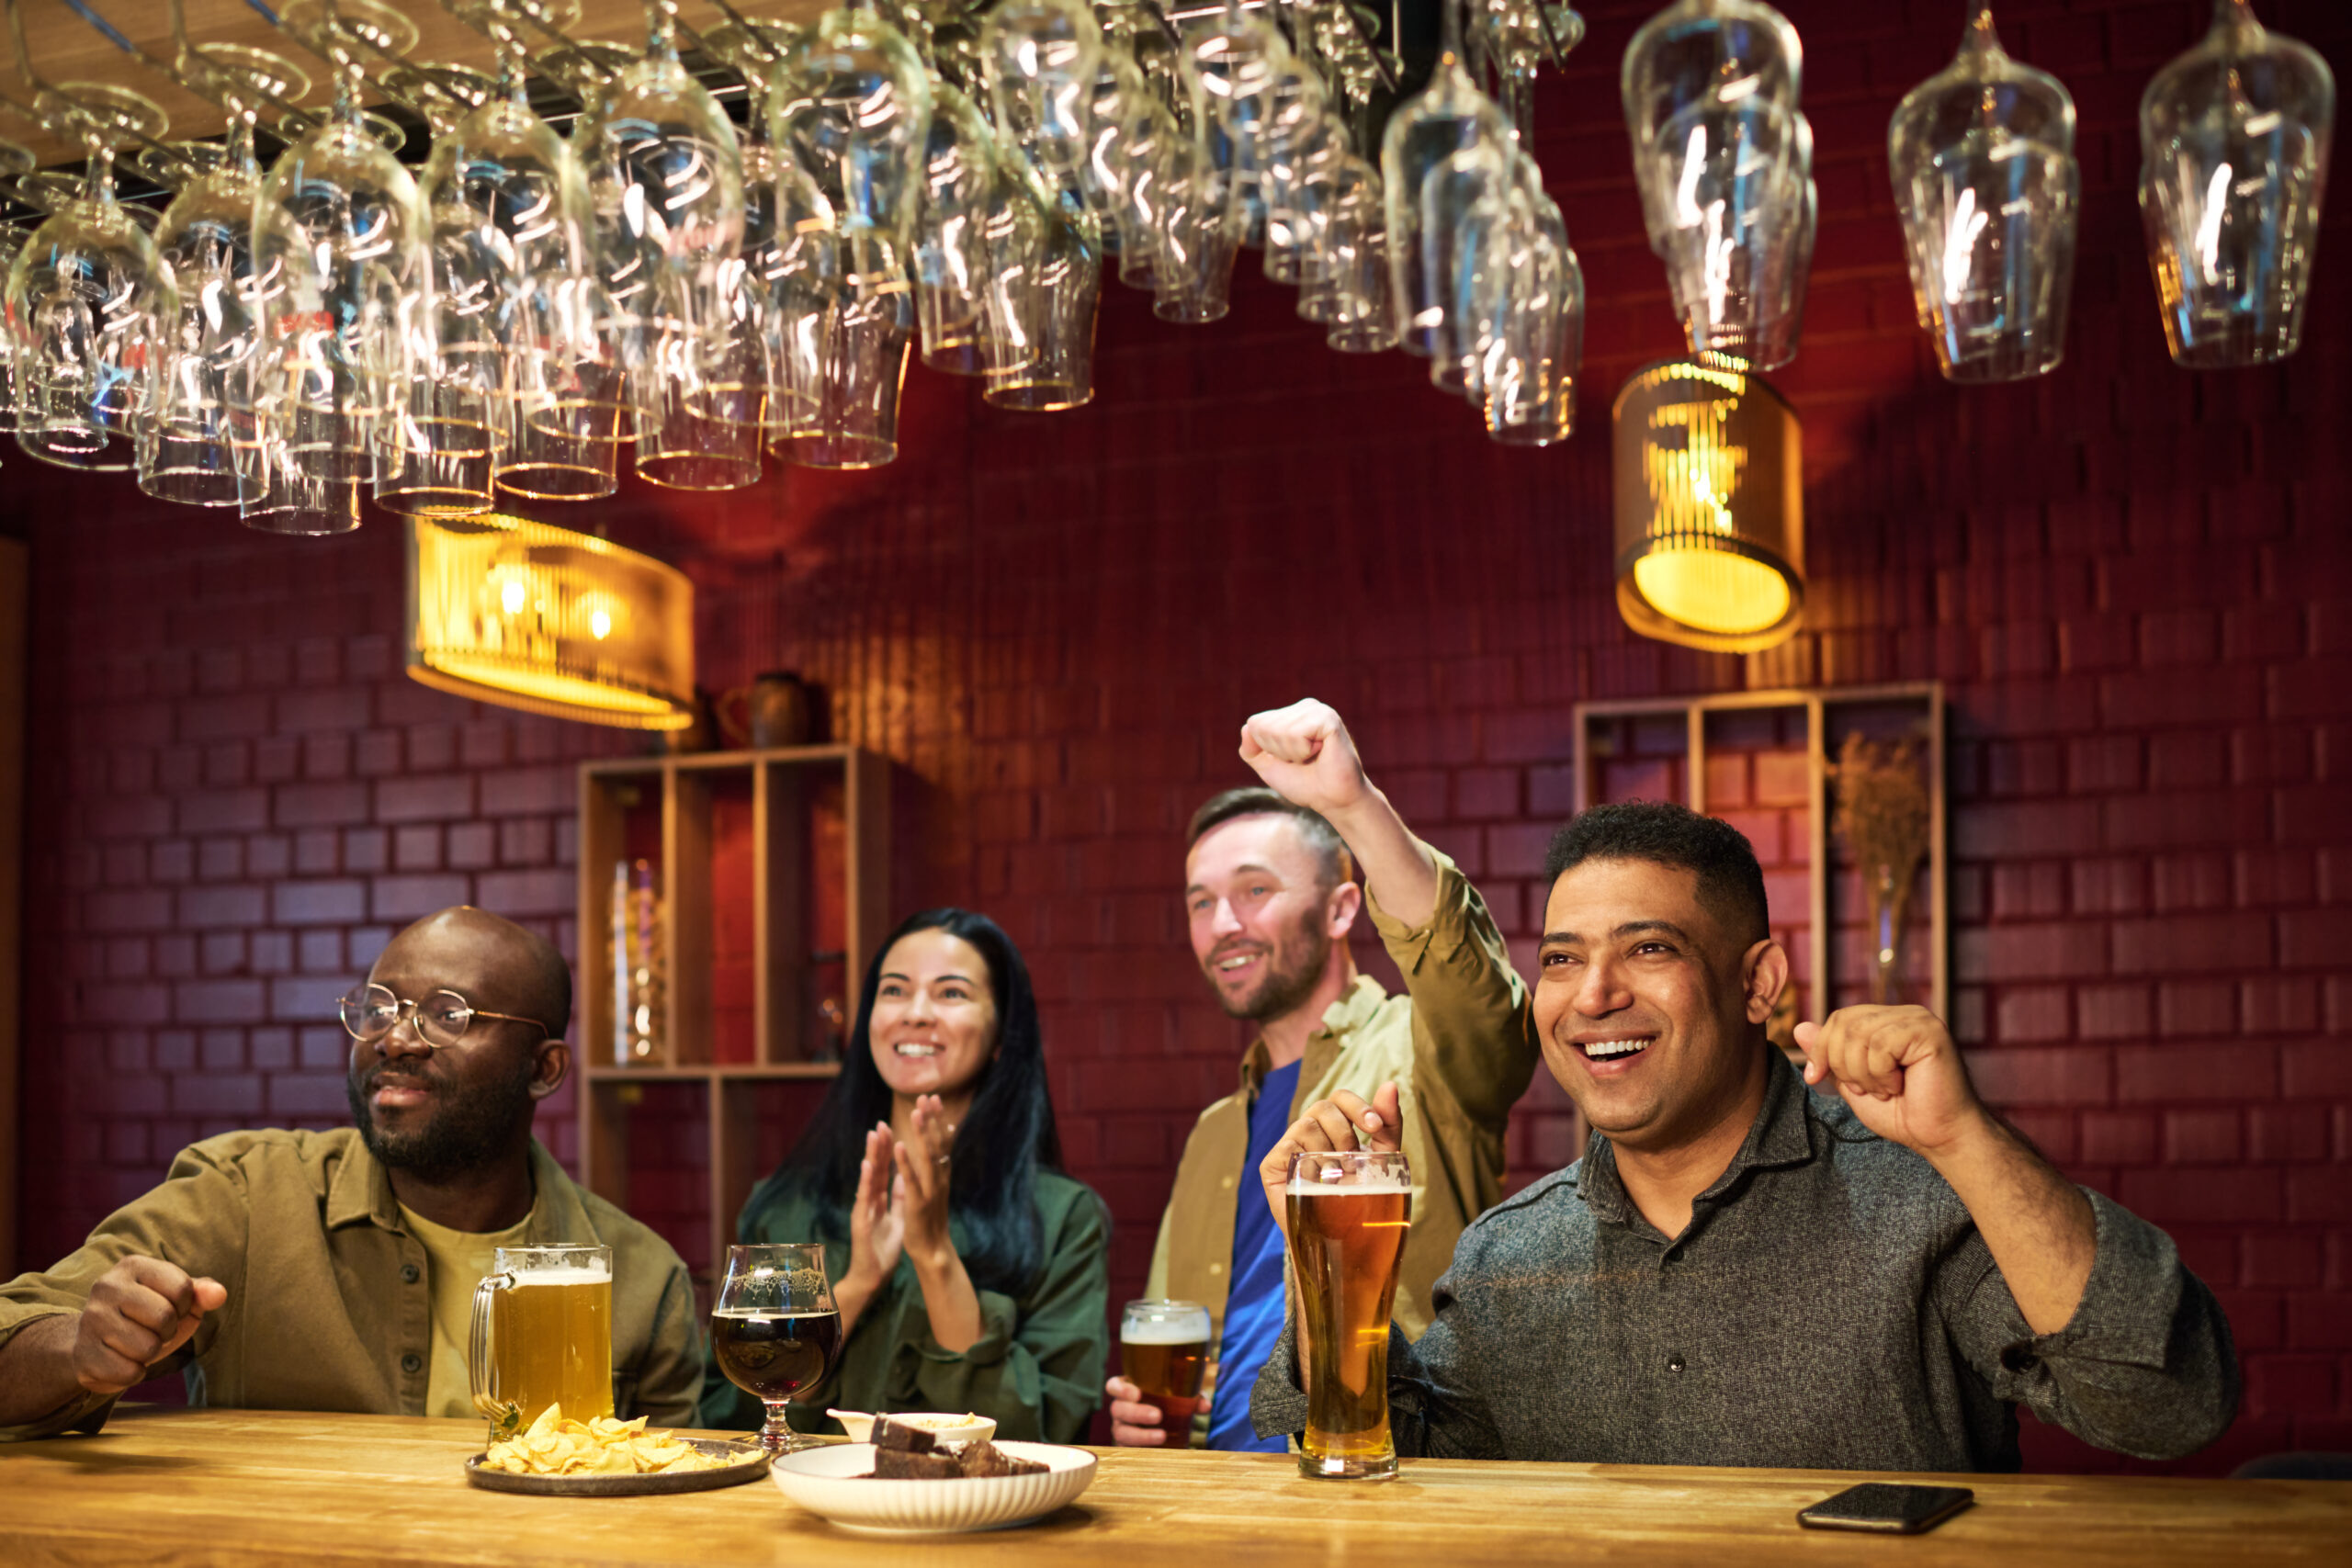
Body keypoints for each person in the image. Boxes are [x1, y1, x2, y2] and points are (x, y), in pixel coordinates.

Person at [1247, 802, 2240, 1471]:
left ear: (1757, 983)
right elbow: (1391, 1459)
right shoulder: (1507, 1255)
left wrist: (1966, 1139)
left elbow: (2167, 1402)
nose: (1593, 996)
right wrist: (1314, 1252)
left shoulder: (1920, 1194)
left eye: (1649, 948)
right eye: (1560, 958)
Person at [0, 907, 704, 1441]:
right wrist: (77, 1351)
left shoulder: (642, 1279)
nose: (395, 1037)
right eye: (380, 1007)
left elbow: (668, 1507)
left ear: (544, 1069)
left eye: (446, 1014)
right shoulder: (245, 1196)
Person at [1107, 700, 1539, 1450]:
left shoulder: (1416, 1044)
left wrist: (1352, 805)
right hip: (1211, 1499)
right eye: (1201, 902)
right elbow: (1176, 1337)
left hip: (1384, 1466)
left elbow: (1475, 989)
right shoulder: (1214, 1132)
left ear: (1343, 908)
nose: (1222, 924)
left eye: (1254, 890)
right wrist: (1147, 1417)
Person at [701, 908, 1108, 1443]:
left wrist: (934, 1255)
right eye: (894, 991)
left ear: (1001, 1035)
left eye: (952, 994)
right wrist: (858, 1281)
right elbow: (728, 1419)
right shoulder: (785, 1205)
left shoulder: (1063, 1219)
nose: (916, 1013)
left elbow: (1046, 1432)